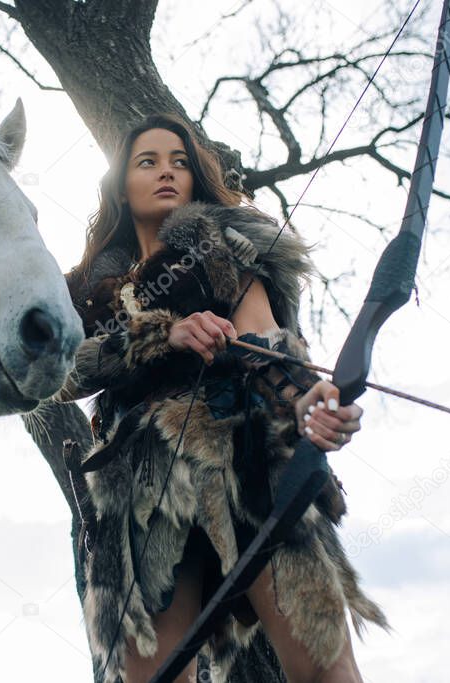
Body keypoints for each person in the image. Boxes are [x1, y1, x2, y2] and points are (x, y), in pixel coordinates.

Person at [53, 113, 388, 683]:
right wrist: (161, 333)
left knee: (322, 669)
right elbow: (64, 373)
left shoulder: (219, 247)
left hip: (242, 457)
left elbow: (265, 344)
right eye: (148, 162)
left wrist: (305, 402)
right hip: (138, 488)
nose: (167, 172)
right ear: (119, 184)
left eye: (180, 162)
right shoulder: (85, 290)